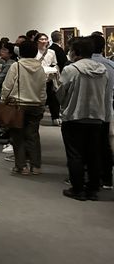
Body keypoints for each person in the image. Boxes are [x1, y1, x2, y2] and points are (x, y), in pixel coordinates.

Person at [58, 37, 110, 201]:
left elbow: (61, 94)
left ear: (75, 52)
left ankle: (78, 189)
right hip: (97, 116)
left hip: (74, 116)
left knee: (75, 154)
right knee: (93, 154)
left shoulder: (71, 70)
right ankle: (93, 189)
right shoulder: (102, 69)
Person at [0, 40, 46, 175]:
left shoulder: (17, 66)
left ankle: (21, 166)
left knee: (18, 136)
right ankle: (36, 166)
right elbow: (42, 88)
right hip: (36, 104)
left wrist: (3, 100)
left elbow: (7, 86)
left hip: (18, 105)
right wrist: (42, 102)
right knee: (33, 136)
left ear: (21, 52)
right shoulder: (40, 67)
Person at [90, 33, 114, 190]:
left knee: (89, 146)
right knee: (105, 145)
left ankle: (92, 179)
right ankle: (107, 178)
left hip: (87, 112)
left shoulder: (79, 66)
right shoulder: (111, 65)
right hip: (105, 110)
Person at [35, 33, 61, 125]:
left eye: (45, 39)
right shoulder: (35, 51)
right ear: (37, 41)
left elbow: (54, 63)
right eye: (41, 39)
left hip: (49, 77)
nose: (44, 41)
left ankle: (55, 117)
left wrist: (54, 69)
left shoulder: (51, 52)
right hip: (37, 78)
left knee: (52, 97)